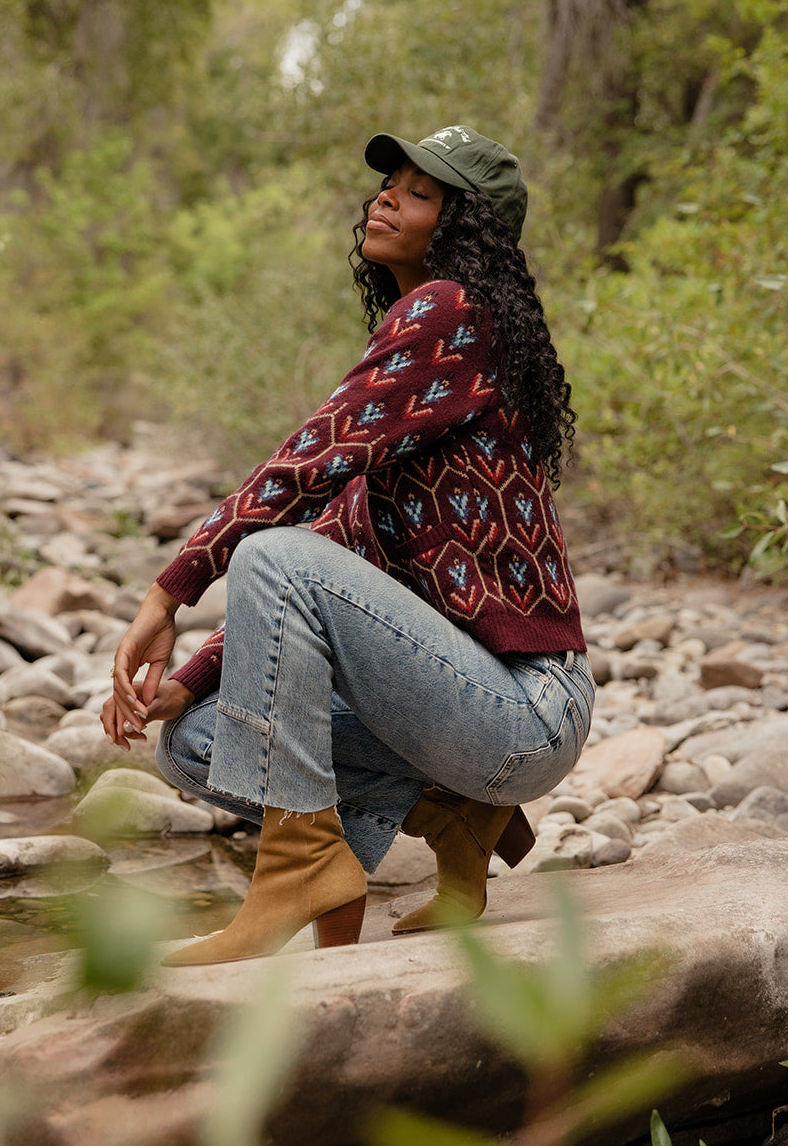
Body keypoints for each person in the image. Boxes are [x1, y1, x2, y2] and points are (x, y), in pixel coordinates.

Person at [102, 125, 593, 966]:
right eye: (387, 184)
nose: (385, 197)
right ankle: (449, 820)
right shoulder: (415, 392)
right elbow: (330, 545)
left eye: (418, 190)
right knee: (196, 739)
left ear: (463, 224)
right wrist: (185, 682)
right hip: (456, 708)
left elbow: (306, 460)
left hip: (522, 707)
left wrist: (168, 592)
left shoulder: (452, 312)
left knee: (268, 555)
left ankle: (296, 872)